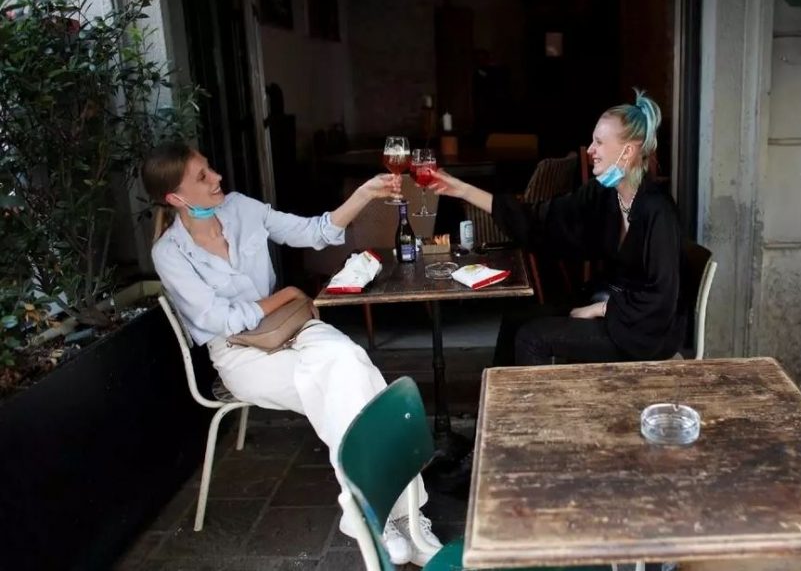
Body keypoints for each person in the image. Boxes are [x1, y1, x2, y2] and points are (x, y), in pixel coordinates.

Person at [142, 143, 441, 566]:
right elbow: (220, 320)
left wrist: (364, 194)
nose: (217, 178)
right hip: (239, 354)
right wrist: (287, 294)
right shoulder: (169, 253)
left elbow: (313, 232)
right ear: (176, 197)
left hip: (295, 327)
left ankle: (379, 517)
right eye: (202, 176)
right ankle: (399, 513)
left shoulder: (240, 208)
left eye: (210, 168)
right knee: (342, 385)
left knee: (349, 362)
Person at [429, 90, 684, 366]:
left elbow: (661, 298)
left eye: (599, 142)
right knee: (516, 319)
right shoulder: (603, 195)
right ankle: (500, 394)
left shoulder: (658, 211)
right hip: (613, 304)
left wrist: (600, 309)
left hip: (644, 329)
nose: (590, 150)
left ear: (628, 151)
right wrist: (463, 190)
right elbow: (540, 219)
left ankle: (534, 398)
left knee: (532, 338)